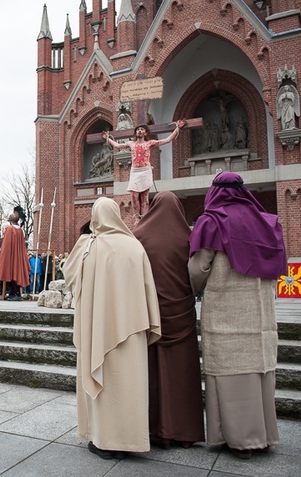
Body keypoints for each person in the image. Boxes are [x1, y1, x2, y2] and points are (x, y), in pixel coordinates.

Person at [188, 171, 287, 459]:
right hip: (261, 315)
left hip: (226, 313)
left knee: (230, 371)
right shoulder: (265, 221)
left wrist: (191, 289)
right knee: (259, 372)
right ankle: (264, 435)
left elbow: (199, 269)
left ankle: (240, 440)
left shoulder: (212, 221)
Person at [62, 197, 161, 460]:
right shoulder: (134, 246)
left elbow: (67, 275)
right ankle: (130, 439)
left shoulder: (88, 247)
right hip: (131, 329)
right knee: (129, 384)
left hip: (97, 329)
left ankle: (103, 439)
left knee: (104, 386)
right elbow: (148, 288)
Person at [132, 191, 205, 449]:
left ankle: (154, 430)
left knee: (153, 371)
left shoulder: (139, 236)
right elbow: (198, 272)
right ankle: (184, 432)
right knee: (181, 372)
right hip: (182, 312)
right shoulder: (190, 236)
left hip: (152, 314)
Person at [102, 119, 187, 222]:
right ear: (136, 132)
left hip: (145, 170)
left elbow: (167, 140)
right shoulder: (131, 143)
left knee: (144, 196)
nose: (140, 131)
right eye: (138, 130)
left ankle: (144, 217)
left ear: (145, 132)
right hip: (135, 171)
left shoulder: (149, 143)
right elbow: (117, 146)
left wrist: (177, 128)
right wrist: (107, 138)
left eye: (142, 129)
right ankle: (137, 216)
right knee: (134, 195)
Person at [0, 206, 30, 301]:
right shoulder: (20, 230)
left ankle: (15, 293)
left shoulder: (10, 229)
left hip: (11, 256)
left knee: (11, 272)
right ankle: (13, 292)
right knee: (16, 272)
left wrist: (3, 256)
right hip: (18, 256)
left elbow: (6, 245)